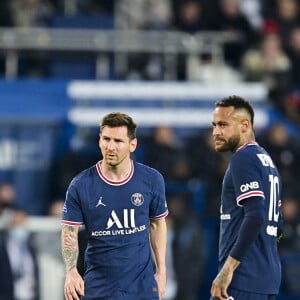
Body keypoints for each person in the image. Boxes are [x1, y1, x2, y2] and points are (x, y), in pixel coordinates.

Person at [61, 112, 168, 300]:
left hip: (141, 287)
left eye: (118, 141)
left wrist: (161, 270)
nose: (110, 146)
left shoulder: (151, 179)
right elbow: (69, 231)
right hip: (99, 287)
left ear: (132, 145)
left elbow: (157, 224)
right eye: (106, 139)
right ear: (99, 141)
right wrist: (70, 271)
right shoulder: (81, 184)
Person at [210, 96, 283, 300]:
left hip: (242, 279)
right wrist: (265, 244)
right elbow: (279, 227)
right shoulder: (268, 161)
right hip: (267, 279)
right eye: (214, 125)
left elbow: (256, 216)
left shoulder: (243, 158)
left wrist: (228, 269)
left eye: (223, 125)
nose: (216, 132)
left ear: (245, 125)